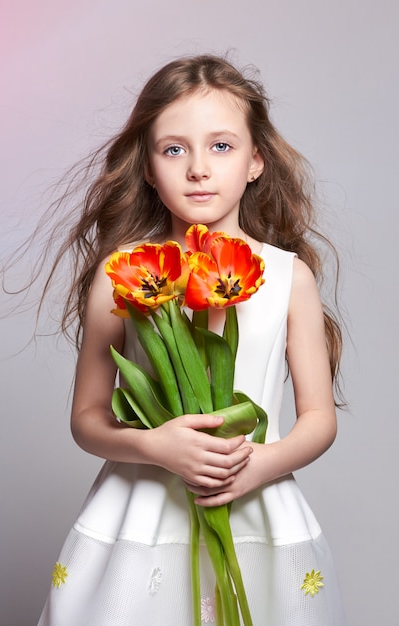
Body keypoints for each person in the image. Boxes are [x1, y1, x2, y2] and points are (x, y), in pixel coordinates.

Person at [37, 54, 347, 625]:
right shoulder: (123, 273)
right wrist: (155, 447)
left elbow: (318, 418)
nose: (198, 169)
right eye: (174, 149)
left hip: (257, 502)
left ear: (256, 162)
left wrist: (258, 465)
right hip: (141, 511)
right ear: (150, 169)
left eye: (221, 146)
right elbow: (86, 416)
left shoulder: (286, 277)